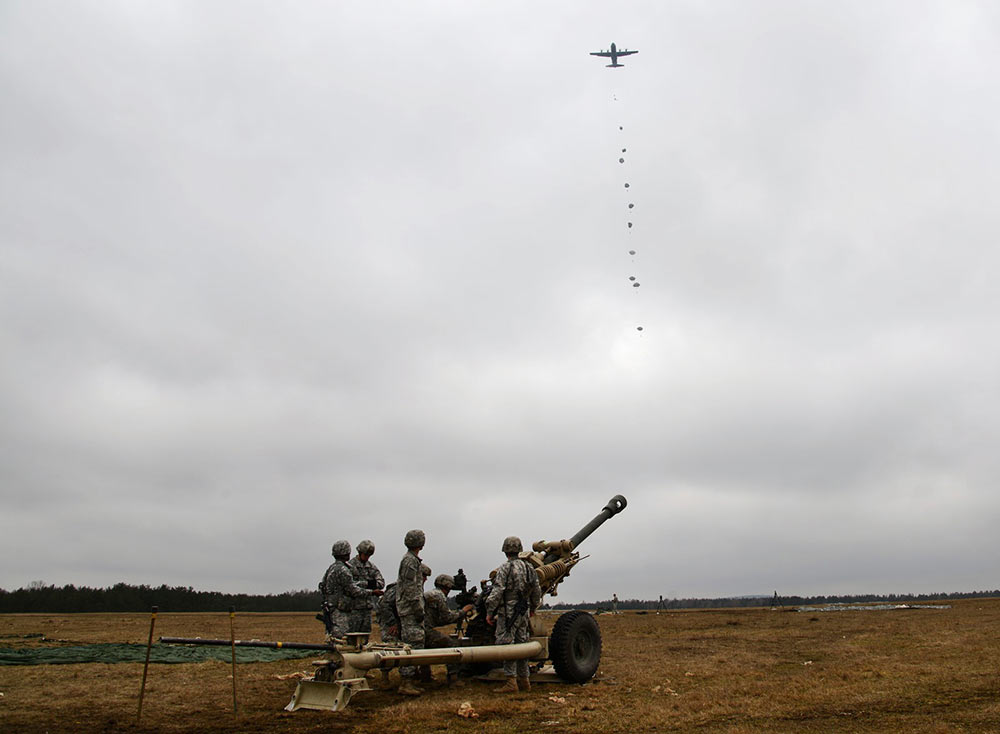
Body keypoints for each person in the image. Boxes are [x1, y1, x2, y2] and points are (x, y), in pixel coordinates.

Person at [485, 536, 541, 693]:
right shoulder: (529, 567)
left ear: (505, 551)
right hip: (523, 610)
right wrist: (533, 607)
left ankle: (511, 682)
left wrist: (490, 611)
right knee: (522, 644)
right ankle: (524, 680)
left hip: (509, 612)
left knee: (506, 645)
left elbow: (498, 590)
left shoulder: (505, 568)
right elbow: (536, 590)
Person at [320, 540, 383, 640]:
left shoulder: (332, 568)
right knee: (344, 638)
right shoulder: (345, 569)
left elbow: (322, 586)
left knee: (358, 637)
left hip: (342, 608)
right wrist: (371, 590)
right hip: (348, 609)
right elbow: (353, 589)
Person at [423, 574, 474, 686]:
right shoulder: (439, 596)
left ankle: (424, 675)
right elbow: (447, 617)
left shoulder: (431, 593)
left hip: (421, 629)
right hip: (425, 630)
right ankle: (454, 678)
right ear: (447, 586)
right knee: (450, 645)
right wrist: (463, 611)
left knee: (423, 650)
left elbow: (438, 619)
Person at [395, 529, 427, 696]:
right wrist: (417, 609)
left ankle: (411, 680)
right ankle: (406, 682)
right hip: (410, 610)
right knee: (411, 644)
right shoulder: (410, 561)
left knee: (416, 643)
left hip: (410, 608)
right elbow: (410, 588)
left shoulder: (412, 560)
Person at [347, 539, 384, 633]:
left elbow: (381, 583)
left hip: (367, 610)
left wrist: (366, 584)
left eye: (369, 555)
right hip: (353, 609)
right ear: (360, 552)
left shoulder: (371, 567)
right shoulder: (350, 566)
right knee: (351, 637)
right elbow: (350, 586)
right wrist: (369, 584)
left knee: (365, 637)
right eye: (366, 555)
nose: (367, 557)